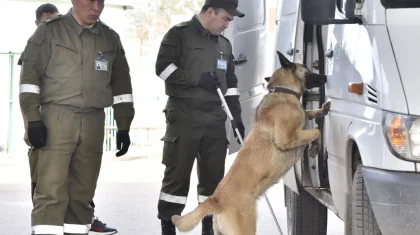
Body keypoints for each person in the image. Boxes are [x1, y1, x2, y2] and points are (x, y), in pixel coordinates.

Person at [19, 0, 134, 234]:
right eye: (89, 1)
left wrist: (124, 125)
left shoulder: (110, 38)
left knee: (83, 192)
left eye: (100, 1)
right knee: (51, 191)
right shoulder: (49, 31)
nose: (96, 7)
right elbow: (29, 80)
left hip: (93, 120)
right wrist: (33, 119)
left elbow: (122, 87)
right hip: (56, 119)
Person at [155, 0, 245, 234]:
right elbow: (163, 68)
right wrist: (197, 79)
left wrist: (237, 117)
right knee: (176, 177)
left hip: (215, 119)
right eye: (226, 18)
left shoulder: (224, 45)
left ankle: (209, 228)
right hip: (184, 116)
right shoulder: (179, 34)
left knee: (213, 181)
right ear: (211, 11)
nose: (228, 24)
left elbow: (232, 84)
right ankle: (168, 226)